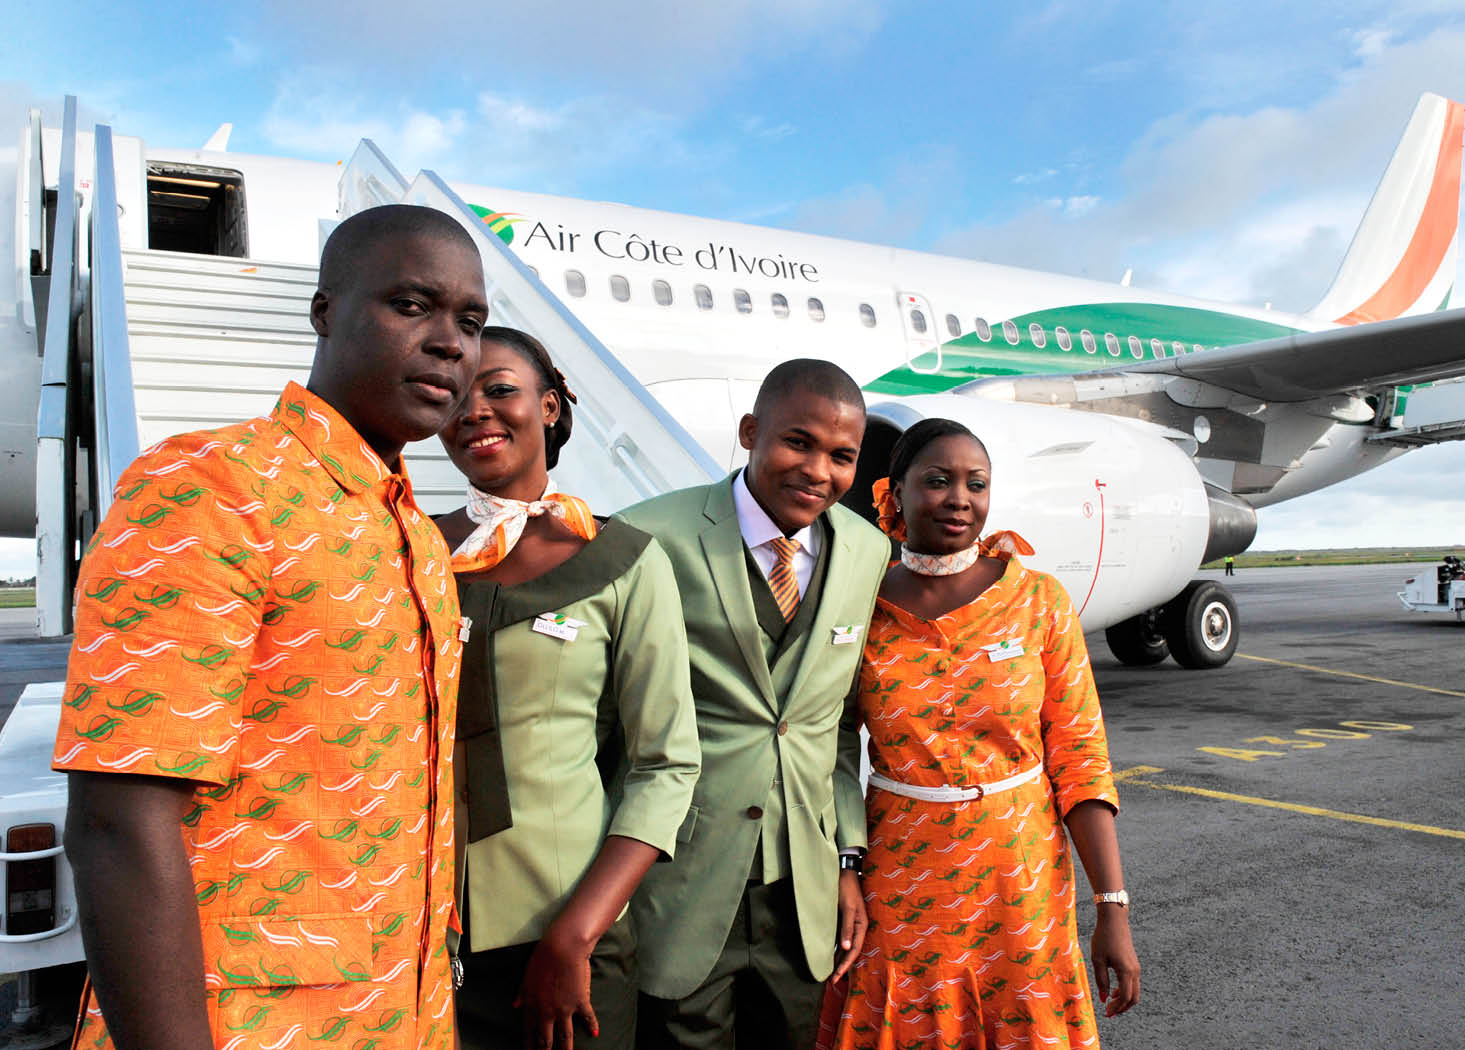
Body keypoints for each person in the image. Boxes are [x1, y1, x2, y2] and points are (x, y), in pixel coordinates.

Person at [53, 204, 489, 1050]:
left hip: (407, 1015)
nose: (451, 343)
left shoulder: (420, 542)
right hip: (247, 1025)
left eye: (469, 322)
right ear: (325, 311)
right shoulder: (213, 486)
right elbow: (118, 818)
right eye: (412, 305)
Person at [820, 417, 1140, 1050]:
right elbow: (825, 749)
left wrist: (1112, 906)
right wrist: (843, 867)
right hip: (900, 875)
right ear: (896, 493)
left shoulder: (1039, 601)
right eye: (937, 481)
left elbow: (1080, 759)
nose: (959, 498)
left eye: (977, 483)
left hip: (1019, 882)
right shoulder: (857, 603)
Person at [431, 327, 700, 1050]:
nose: (476, 410)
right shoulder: (413, 548)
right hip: (417, 936)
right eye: (457, 395)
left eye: (500, 389)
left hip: (563, 935)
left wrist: (575, 938)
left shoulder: (625, 560)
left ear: (548, 407)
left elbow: (666, 765)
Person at [615, 359, 891, 1050]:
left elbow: (834, 729)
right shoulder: (648, 535)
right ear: (749, 433)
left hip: (801, 893)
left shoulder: (866, 551)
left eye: (841, 456)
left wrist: (847, 858)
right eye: (797, 442)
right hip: (676, 878)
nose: (817, 471)